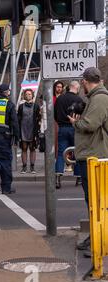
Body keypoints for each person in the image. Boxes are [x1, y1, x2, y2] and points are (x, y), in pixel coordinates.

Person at [68, 67, 108, 257]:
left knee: (96, 200)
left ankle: (99, 240)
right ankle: (96, 237)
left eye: (83, 82)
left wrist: (75, 122)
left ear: (85, 81)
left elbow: (90, 124)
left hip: (95, 156)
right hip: (93, 154)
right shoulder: (96, 98)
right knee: (94, 200)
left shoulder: (100, 98)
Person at [54, 81, 84, 189]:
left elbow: (55, 115)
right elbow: (82, 115)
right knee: (77, 151)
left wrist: (61, 122)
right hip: (75, 128)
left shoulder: (59, 99)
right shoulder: (79, 100)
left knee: (61, 153)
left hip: (62, 128)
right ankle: (79, 178)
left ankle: (57, 177)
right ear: (76, 88)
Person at [18, 89, 41, 174]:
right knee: (24, 148)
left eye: (30, 94)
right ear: (24, 96)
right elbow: (18, 119)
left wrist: (38, 131)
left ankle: (32, 167)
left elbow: (39, 118)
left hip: (33, 130)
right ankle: (24, 167)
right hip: (23, 130)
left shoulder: (36, 106)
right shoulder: (21, 107)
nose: (28, 95)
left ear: (32, 95)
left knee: (32, 148)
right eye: (26, 94)